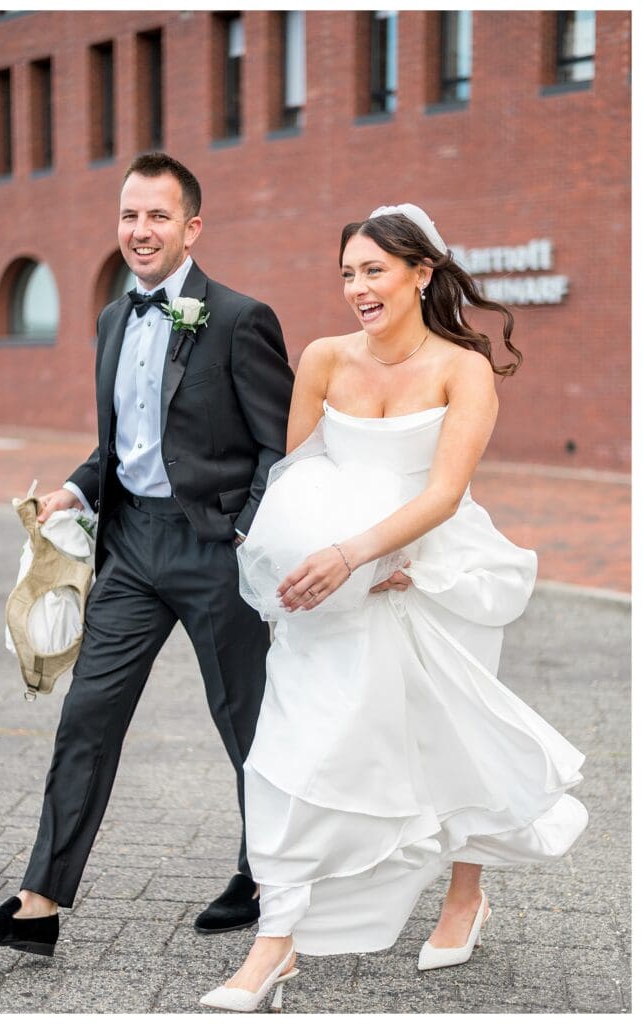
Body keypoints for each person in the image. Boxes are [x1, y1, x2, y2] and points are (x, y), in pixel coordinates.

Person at [199, 204, 588, 1012]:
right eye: (347, 272)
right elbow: (298, 472)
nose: (357, 288)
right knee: (296, 751)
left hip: (431, 574)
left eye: (374, 270)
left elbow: (445, 493)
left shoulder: (462, 370)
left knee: (448, 743)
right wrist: (282, 553)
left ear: (422, 273)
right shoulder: (323, 359)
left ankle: (463, 897)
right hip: (330, 596)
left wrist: (363, 551)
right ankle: (277, 944)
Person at [0, 152, 294, 956]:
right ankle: (39, 903)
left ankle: (265, 877)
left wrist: (247, 532)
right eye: (129, 216)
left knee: (245, 725)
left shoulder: (240, 318)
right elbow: (122, 443)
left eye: (157, 216)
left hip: (218, 549)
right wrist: (76, 490)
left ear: (192, 227)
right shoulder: (113, 318)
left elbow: (279, 445)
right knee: (87, 716)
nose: (140, 231)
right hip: (133, 548)